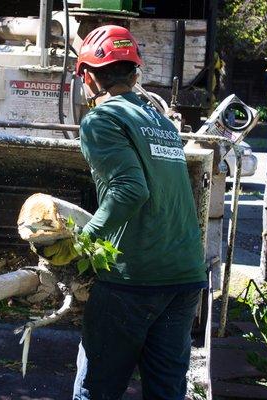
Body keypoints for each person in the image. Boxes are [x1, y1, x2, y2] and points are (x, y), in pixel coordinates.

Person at [68, 25, 208, 399]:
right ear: (134, 74)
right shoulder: (160, 122)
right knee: (165, 390)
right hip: (185, 276)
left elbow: (130, 190)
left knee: (97, 388)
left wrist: (84, 240)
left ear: (87, 76)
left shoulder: (101, 119)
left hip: (134, 282)